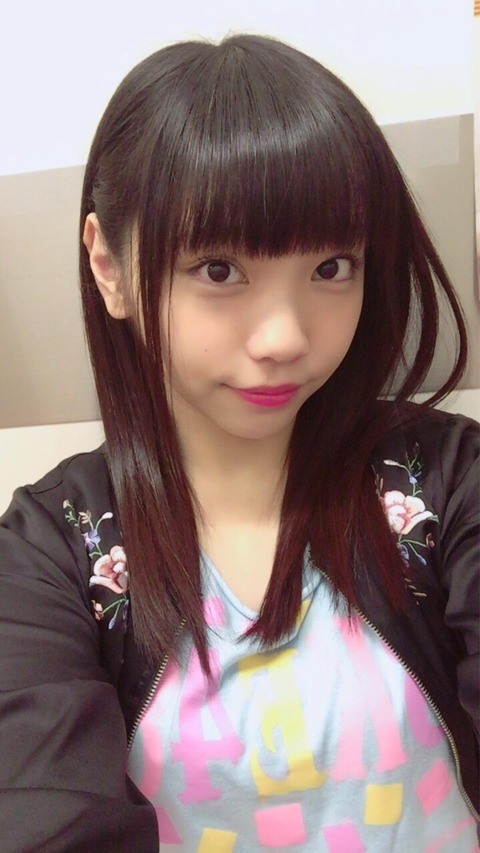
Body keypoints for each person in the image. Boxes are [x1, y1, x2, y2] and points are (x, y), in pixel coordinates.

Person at [0, 33, 478, 853]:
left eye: (332, 267)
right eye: (218, 270)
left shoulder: (447, 477)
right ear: (109, 266)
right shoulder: (52, 549)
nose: (285, 337)